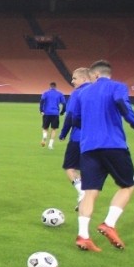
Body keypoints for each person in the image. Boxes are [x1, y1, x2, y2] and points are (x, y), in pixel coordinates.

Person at [65, 60, 134, 252]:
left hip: (87, 147)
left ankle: (83, 236)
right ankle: (109, 223)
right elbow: (122, 104)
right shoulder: (117, 86)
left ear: (94, 75)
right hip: (113, 145)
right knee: (127, 186)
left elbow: (74, 117)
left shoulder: (83, 92)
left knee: (90, 192)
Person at [58, 68, 91, 210]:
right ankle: (85, 199)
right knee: (87, 168)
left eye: (75, 78)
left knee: (69, 167)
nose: (72, 81)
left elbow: (70, 115)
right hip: (96, 139)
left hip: (78, 137)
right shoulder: (98, 93)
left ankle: (81, 192)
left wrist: (63, 133)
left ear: (84, 78)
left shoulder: (77, 93)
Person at [40, 81, 66, 149]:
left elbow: (42, 101)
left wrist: (41, 110)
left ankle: (45, 136)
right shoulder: (59, 93)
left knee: (45, 128)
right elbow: (64, 103)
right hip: (55, 113)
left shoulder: (45, 93)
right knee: (54, 129)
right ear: (55, 87)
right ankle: (50, 145)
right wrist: (62, 111)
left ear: (50, 86)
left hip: (47, 112)